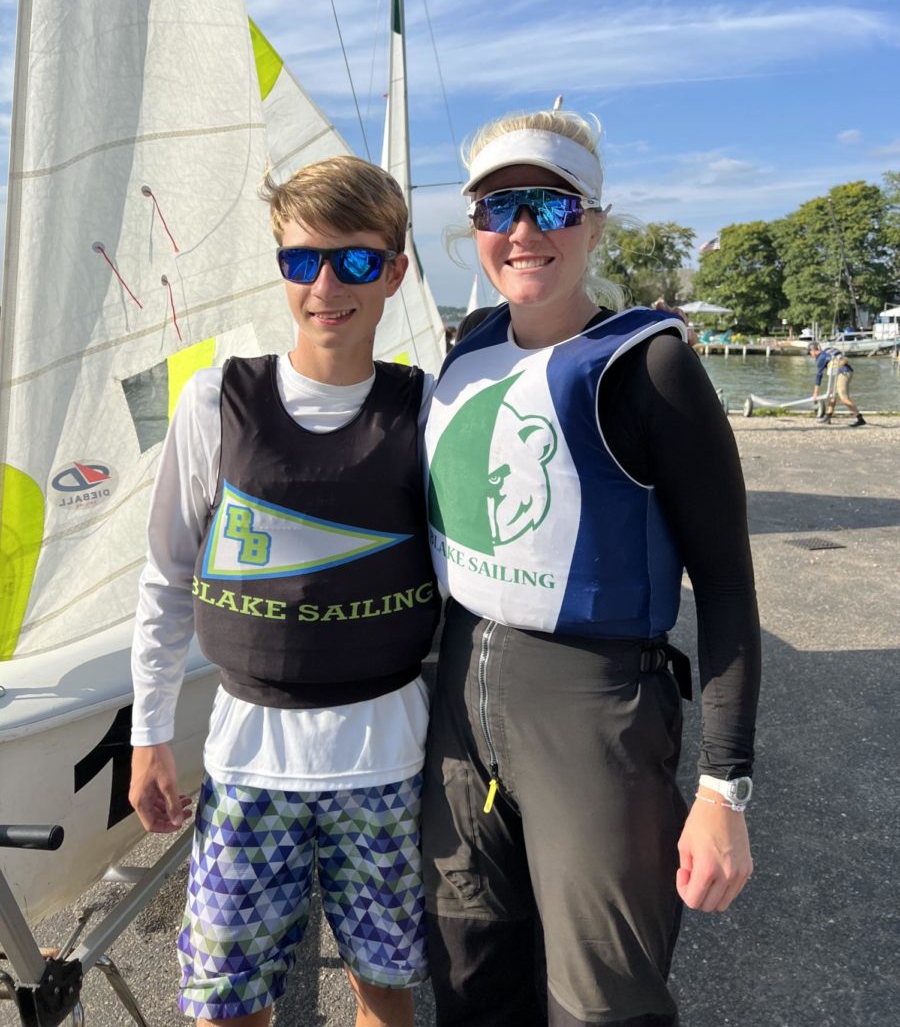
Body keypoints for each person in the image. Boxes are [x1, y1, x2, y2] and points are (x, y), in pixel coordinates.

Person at [422, 107, 761, 1027]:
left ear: (595, 223)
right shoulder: (469, 348)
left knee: (600, 1003)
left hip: (593, 710)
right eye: (498, 209)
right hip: (460, 698)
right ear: (475, 229)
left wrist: (723, 791)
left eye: (551, 206)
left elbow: (727, 589)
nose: (523, 231)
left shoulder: (648, 366)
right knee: (469, 972)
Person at [129, 155, 440, 1027]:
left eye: (356, 261)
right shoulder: (214, 402)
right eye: (302, 261)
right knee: (227, 1006)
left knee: (384, 989)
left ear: (396, 273)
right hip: (247, 762)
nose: (327, 285)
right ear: (282, 269)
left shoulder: (427, 409)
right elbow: (166, 576)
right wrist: (148, 735)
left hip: (387, 761)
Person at [808, 341, 865, 426]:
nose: (810, 355)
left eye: (810, 353)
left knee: (843, 398)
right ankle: (828, 416)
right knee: (832, 395)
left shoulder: (820, 358)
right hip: (844, 371)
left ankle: (860, 418)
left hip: (843, 373)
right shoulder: (827, 352)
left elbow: (819, 376)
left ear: (813, 350)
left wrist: (815, 393)